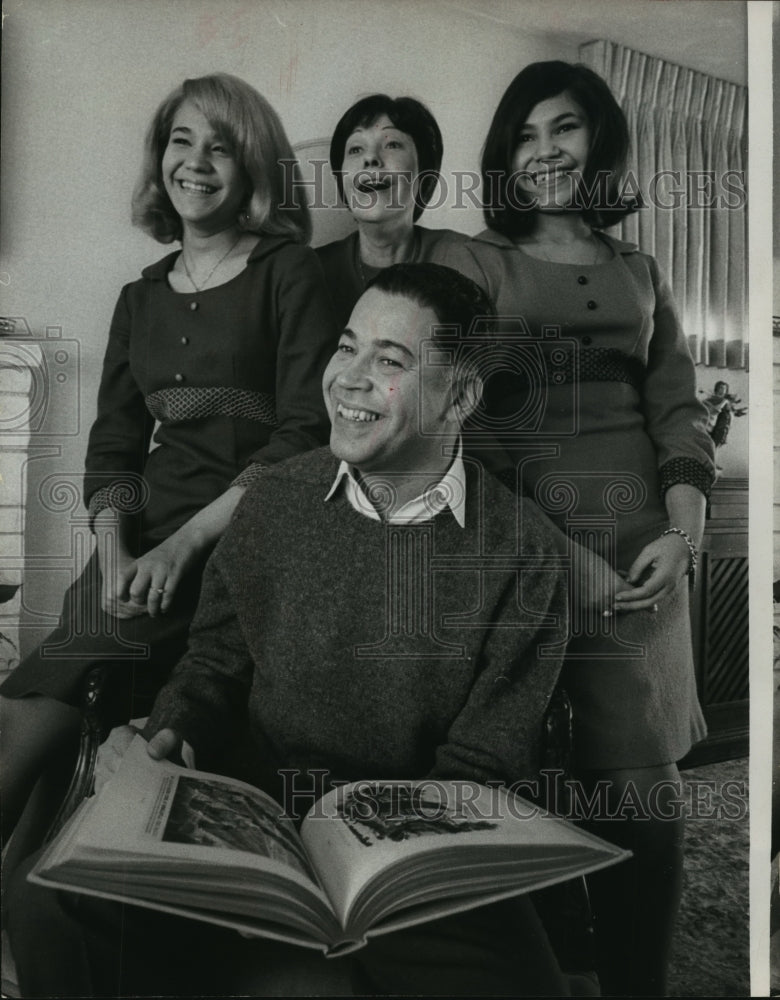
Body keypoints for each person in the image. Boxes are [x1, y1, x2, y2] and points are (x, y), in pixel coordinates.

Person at [6, 264, 580, 998]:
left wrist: (372, 861)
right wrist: (173, 732)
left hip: (418, 852)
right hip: (258, 819)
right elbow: (214, 662)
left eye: (390, 360)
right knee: (46, 896)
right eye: (347, 348)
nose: (349, 379)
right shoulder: (276, 497)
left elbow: (485, 763)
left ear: (461, 396)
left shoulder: (523, 549)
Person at [0, 73, 338, 852]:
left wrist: (183, 547)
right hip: (138, 535)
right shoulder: (138, 297)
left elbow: (304, 431)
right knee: (45, 707)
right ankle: (32, 892)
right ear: (159, 161)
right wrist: (115, 548)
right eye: (181, 141)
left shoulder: (288, 271)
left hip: (245, 531)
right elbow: (115, 441)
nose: (197, 161)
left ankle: (42, 886)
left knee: (61, 703)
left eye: (222, 146)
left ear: (253, 166)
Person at [435, 61, 716, 997]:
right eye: (524, 134)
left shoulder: (640, 268)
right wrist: (562, 560)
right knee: (525, 788)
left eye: (563, 129)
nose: (544, 152)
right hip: (521, 543)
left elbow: (674, 405)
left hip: (645, 548)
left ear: (598, 140)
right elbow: (456, 428)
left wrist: (685, 522)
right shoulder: (471, 262)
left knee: (648, 796)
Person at [315, 94, 468, 326]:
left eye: (392, 144)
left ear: (425, 174)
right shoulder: (309, 272)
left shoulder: (470, 261)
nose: (370, 158)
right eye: (355, 149)